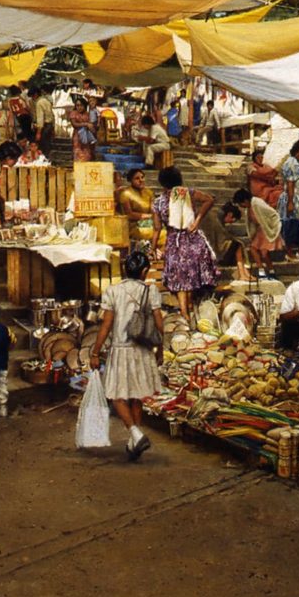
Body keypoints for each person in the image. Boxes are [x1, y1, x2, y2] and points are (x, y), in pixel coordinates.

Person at [89, 250, 164, 462]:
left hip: (121, 350)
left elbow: (106, 325)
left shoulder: (113, 291)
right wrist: (161, 349)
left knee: (115, 394)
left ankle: (134, 434)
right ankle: (135, 440)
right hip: (143, 350)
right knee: (136, 395)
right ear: (144, 271)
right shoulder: (152, 292)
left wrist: (95, 351)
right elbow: (159, 324)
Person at [151, 166, 218, 327]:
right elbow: (210, 199)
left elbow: (157, 228)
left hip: (175, 243)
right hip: (194, 241)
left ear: (162, 183)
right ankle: (189, 308)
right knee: (192, 275)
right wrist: (197, 221)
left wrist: (153, 248)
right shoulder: (187, 193)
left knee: (181, 279)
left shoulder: (158, 202)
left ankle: (184, 313)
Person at [233, 188, 283, 279]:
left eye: (241, 203)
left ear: (245, 200)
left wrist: (271, 225)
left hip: (267, 229)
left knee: (264, 253)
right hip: (260, 231)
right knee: (253, 249)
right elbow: (251, 223)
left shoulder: (257, 203)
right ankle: (261, 271)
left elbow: (273, 214)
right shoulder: (248, 208)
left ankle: (272, 272)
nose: (242, 206)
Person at [277, 140, 299, 259]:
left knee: (297, 224)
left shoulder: (293, 162)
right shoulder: (292, 163)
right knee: (295, 224)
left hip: (295, 197)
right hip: (292, 198)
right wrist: (291, 202)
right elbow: (290, 183)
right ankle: (291, 251)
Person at [199, 201, 251, 281]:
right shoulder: (215, 217)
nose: (230, 222)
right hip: (213, 249)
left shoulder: (217, 215)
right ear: (229, 214)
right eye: (233, 219)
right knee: (237, 245)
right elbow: (222, 236)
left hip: (212, 246)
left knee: (238, 244)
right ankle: (242, 274)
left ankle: (245, 273)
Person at [118, 168, 157, 243]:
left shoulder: (149, 192)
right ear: (130, 181)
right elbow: (129, 214)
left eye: (142, 177)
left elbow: (153, 211)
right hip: (133, 226)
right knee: (159, 234)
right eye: (137, 178)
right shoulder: (126, 193)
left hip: (148, 223)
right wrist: (148, 216)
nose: (141, 180)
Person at [68, 96, 97, 163]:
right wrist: (85, 124)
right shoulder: (73, 113)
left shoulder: (88, 114)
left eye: (81, 105)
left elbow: (93, 124)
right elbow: (74, 124)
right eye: (77, 105)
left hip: (87, 137)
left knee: (87, 154)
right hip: (77, 137)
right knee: (78, 154)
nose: (79, 107)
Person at [30, 86, 55, 154]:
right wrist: (53, 128)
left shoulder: (39, 103)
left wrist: (38, 132)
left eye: (32, 96)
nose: (32, 98)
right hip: (49, 125)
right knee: (47, 145)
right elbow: (52, 115)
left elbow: (40, 119)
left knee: (42, 146)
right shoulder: (46, 101)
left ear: (35, 94)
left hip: (44, 126)